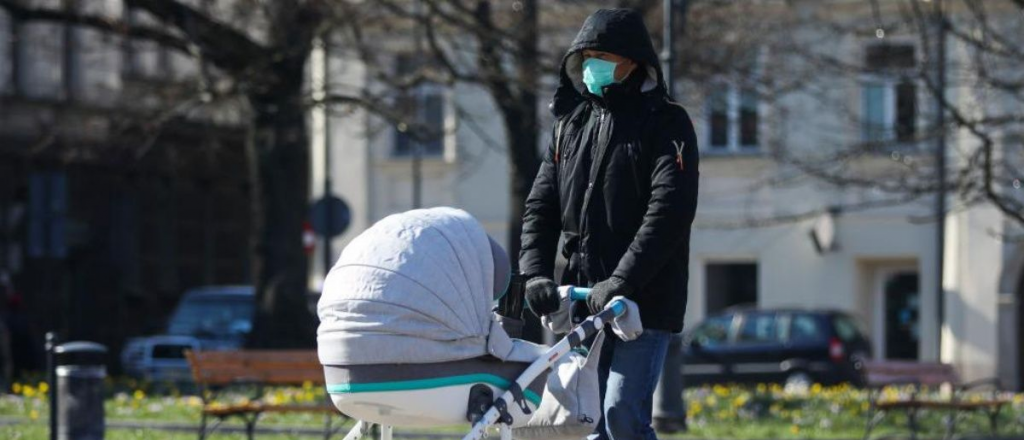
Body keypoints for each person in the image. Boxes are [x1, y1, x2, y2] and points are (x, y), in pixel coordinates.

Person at [518, 8, 699, 440]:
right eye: (585, 56)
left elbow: (669, 211)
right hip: (583, 300)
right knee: (583, 420)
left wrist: (621, 281)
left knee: (621, 414)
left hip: (643, 303)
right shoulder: (569, 127)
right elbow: (539, 207)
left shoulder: (667, 124)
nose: (590, 65)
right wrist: (536, 274)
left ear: (633, 61)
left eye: (602, 55)